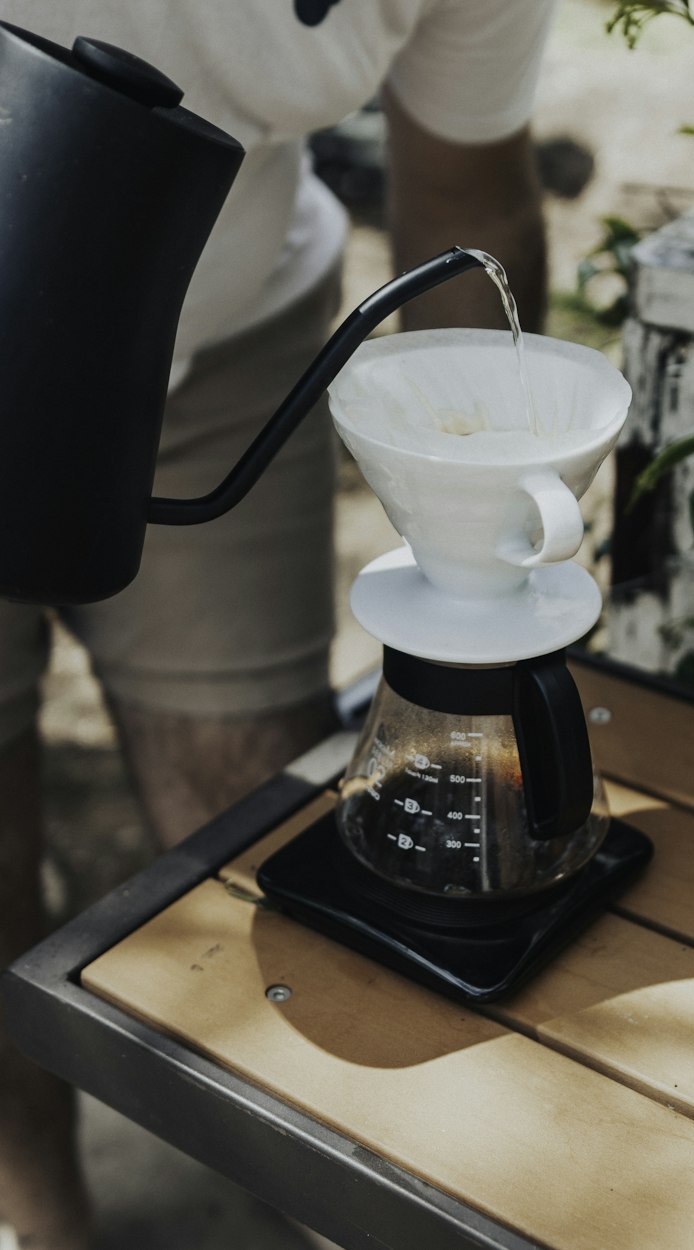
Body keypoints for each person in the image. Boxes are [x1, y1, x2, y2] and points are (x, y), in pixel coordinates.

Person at [0, 3, 555, 1247]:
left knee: (254, 806)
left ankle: (309, 1205)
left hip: (225, 326)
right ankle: (40, 1216)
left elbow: (471, 202)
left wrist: (486, 549)